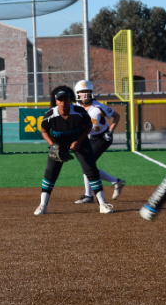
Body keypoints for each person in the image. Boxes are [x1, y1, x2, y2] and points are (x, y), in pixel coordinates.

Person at [35, 85, 114, 216]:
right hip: (58, 144)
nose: (62, 102)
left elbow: (88, 126)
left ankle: (102, 204)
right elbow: (43, 131)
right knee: (50, 172)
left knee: (91, 170)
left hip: (80, 141)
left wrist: (78, 141)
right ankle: (42, 205)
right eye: (60, 100)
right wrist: (52, 145)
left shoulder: (79, 112)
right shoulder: (50, 115)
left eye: (65, 99)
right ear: (56, 102)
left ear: (70, 100)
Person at [72, 80, 125, 204]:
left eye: (87, 92)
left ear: (91, 93)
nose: (84, 95)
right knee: (87, 166)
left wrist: (110, 131)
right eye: (82, 93)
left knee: (88, 165)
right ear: (77, 94)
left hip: (103, 137)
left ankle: (110, 184)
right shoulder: (75, 107)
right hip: (89, 137)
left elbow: (117, 116)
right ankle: (93, 193)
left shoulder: (98, 107)